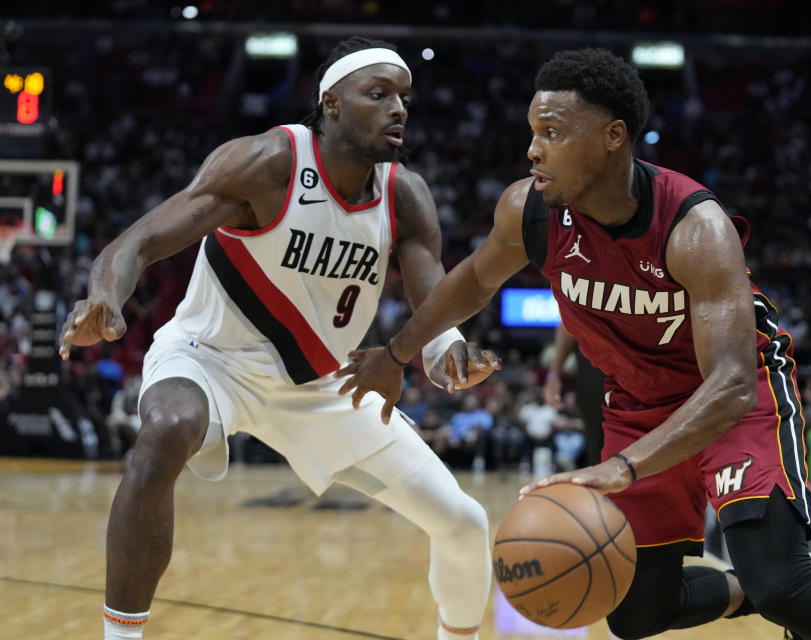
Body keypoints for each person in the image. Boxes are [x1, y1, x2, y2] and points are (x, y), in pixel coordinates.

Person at [336, 48, 811, 640]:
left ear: (612, 137)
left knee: (787, 588)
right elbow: (470, 282)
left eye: (552, 133)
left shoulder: (694, 227)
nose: (532, 150)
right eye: (532, 132)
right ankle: (761, 588)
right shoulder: (529, 211)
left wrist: (623, 467)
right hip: (637, 404)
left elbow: (729, 383)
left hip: (735, 399)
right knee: (633, 614)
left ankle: (788, 589)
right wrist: (395, 354)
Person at [59, 37, 498, 640]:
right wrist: (105, 296)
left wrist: (450, 353)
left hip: (324, 385)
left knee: (465, 522)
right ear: (332, 104)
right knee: (163, 430)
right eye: (379, 94)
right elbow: (137, 242)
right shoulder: (268, 162)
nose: (399, 108)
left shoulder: (403, 194)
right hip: (209, 360)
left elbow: (435, 302)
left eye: (404, 96)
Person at [544, 324, 604, 464]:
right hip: (594, 381)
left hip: (641, 377)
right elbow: (566, 323)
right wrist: (553, 375)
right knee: (599, 451)